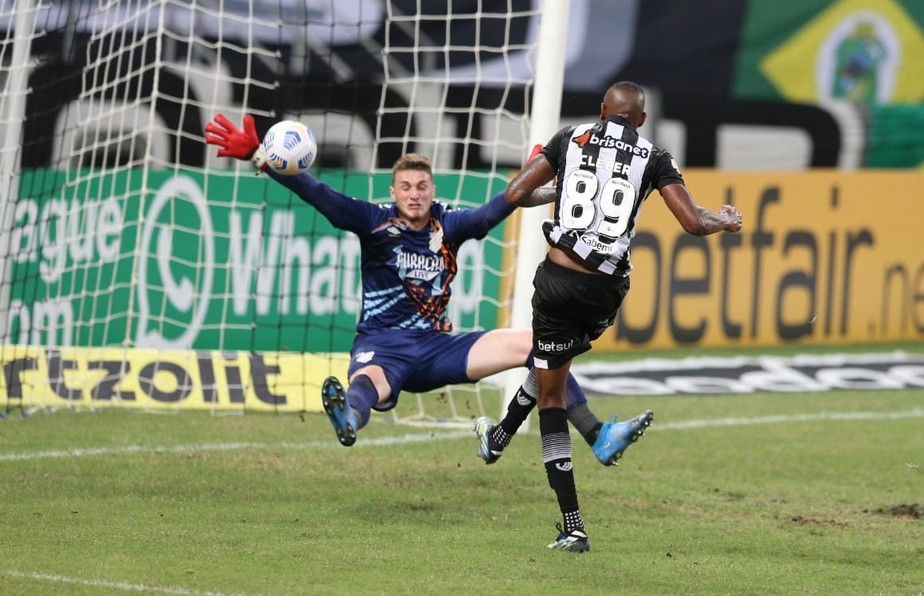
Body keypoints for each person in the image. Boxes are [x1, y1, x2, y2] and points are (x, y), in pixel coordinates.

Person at [203, 114, 652, 466]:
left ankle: (599, 435)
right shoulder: (373, 222)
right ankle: (349, 418)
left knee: (537, 344)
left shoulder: (449, 224)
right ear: (393, 191)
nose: (414, 194)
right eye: (405, 187)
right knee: (367, 382)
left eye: (421, 186)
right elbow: (321, 194)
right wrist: (262, 157)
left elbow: (495, 209)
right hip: (384, 347)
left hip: (439, 349)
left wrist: (535, 173)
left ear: (432, 189)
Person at [487, 81, 743, 553]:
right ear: (641, 120)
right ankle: (499, 437)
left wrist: (554, 190)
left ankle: (573, 525)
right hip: (607, 293)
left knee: (551, 394)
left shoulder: (570, 138)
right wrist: (724, 221)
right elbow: (691, 222)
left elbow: (515, 193)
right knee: (551, 365)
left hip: (558, 283)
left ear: (602, 111)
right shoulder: (656, 155)